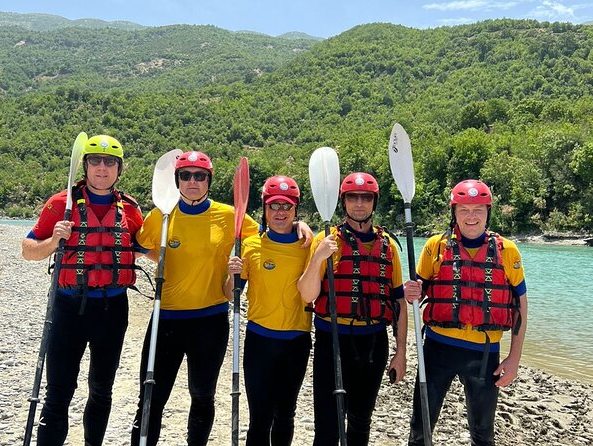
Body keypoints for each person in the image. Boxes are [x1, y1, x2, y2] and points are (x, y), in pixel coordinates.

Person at [130, 152, 313, 445]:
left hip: (210, 321)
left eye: (199, 175)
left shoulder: (230, 216)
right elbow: (138, 247)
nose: (192, 181)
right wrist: (162, 259)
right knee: (151, 395)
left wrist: (299, 225)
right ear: (177, 179)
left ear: (208, 180)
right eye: (185, 175)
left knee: (202, 396)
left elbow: (272, 230)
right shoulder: (161, 215)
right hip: (166, 318)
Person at [21, 134, 144, 446]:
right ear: (85, 166)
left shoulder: (130, 210)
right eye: (95, 161)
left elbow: (144, 248)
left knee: (101, 389)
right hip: (67, 307)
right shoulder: (59, 205)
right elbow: (27, 249)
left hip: (112, 309)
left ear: (120, 169)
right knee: (58, 392)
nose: (102, 168)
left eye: (110, 162)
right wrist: (52, 242)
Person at [404, 179, 528, 446]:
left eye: (478, 210)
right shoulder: (435, 246)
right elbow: (417, 291)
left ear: (487, 213)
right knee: (420, 429)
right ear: (454, 212)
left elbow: (520, 306)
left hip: (484, 354)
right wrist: (411, 291)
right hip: (437, 350)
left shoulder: (508, 252)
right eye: (463, 210)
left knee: (483, 434)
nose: (471, 216)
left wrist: (514, 359)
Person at [297, 172, 408, 446]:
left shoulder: (389, 247)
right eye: (352, 197)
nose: (359, 203)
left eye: (366, 198)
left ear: (374, 202)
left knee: (360, 422)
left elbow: (399, 303)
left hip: (372, 344)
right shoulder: (327, 242)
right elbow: (308, 294)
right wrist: (318, 257)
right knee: (327, 425)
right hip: (331, 342)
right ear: (343, 202)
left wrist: (401, 352)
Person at [224, 175, 312, 446]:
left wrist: (305, 227)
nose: (280, 212)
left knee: (285, 415)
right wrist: (231, 274)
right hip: (259, 341)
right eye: (274, 206)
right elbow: (230, 295)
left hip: (296, 341)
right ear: (264, 209)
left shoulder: (308, 246)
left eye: (287, 206)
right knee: (260, 418)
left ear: (296, 210)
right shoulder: (250, 246)